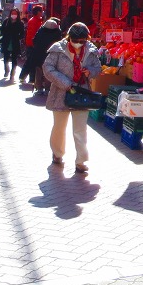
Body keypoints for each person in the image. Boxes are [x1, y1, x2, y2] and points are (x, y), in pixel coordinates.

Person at [43, 22, 102, 173]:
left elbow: (98, 67)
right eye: (75, 41)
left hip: (82, 93)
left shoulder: (91, 50)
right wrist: (65, 83)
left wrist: (90, 71)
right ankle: (57, 153)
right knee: (59, 127)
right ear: (69, 38)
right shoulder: (58, 49)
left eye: (81, 41)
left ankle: (81, 160)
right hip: (61, 93)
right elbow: (47, 68)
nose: (78, 44)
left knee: (80, 128)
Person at [30, 17, 62, 95]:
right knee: (48, 72)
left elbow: (34, 41)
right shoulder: (57, 32)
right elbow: (59, 44)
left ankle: (39, 88)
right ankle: (47, 89)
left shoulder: (41, 30)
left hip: (39, 54)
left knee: (39, 71)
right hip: (50, 55)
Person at [0, 7, 26, 82]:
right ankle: (6, 70)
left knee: (14, 59)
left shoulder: (20, 23)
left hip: (15, 42)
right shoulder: (6, 21)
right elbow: (2, 30)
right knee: (6, 58)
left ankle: (12, 73)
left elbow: (22, 33)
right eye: (12, 13)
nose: (14, 15)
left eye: (15, 13)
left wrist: (18, 37)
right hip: (6, 42)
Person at [20, 5, 45, 86]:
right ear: (38, 12)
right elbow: (32, 34)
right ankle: (26, 77)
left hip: (33, 44)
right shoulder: (34, 21)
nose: (42, 12)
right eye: (41, 11)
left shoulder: (38, 20)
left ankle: (28, 77)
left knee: (31, 61)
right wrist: (34, 44)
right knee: (31, 61)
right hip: (32, 45)